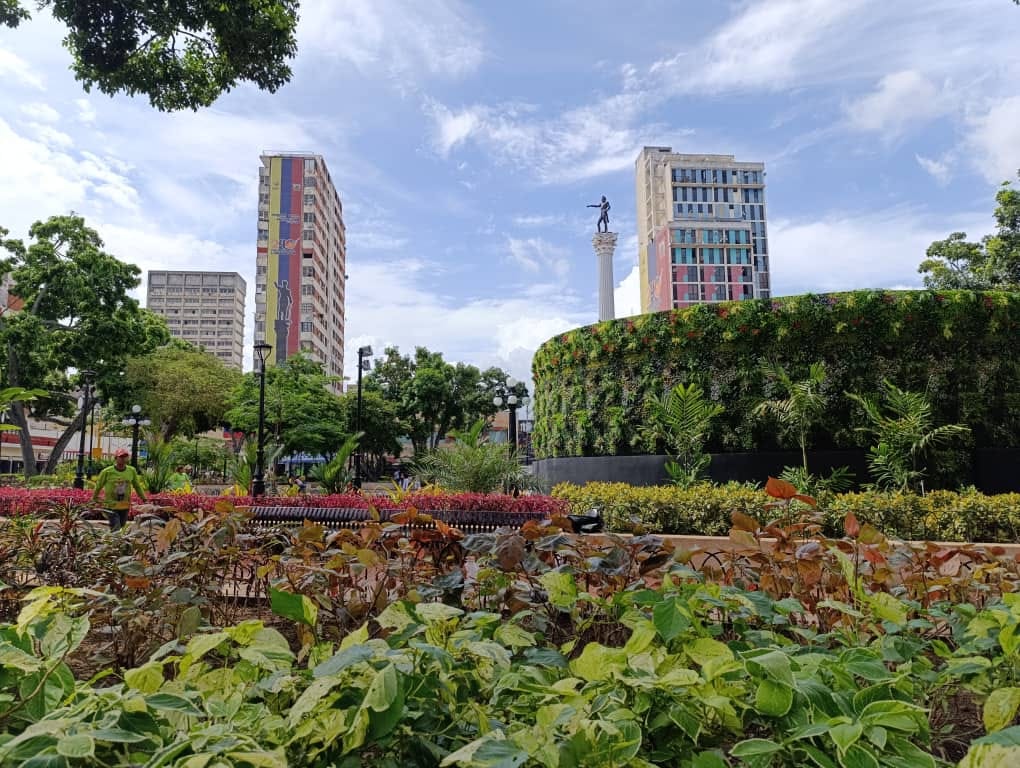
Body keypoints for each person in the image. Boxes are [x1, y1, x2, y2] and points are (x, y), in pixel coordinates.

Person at [91, 447, 147, 530]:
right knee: (116, 528)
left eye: (125, 456)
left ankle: (111, 541)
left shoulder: (131, 470)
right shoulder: (107, 471)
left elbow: (137, 486)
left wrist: (144, 498)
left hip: (125, 505)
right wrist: (94, 498)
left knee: (121, 528)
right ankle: (113, 541)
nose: (123, 459)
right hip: (111, 505)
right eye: (121, 457)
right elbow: (99, 486)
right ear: (116, 458)